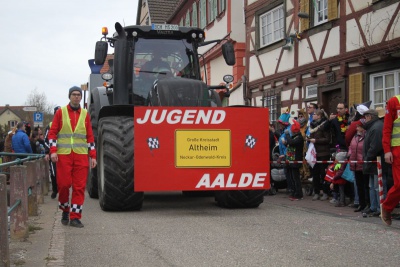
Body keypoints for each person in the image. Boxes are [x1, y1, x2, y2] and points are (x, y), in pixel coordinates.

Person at [49, 86, 97, 228]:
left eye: (79, 95)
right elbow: (52, 133)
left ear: (81, 97)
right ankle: (65, 210)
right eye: (74, 94)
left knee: (79, 187)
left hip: (81, 156)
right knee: (63, 185)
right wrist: (53, 151)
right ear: (69, 96)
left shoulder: (85, 114)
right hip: (63, 156)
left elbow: (90, 137)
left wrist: (93, 156)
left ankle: (75, 217)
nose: (76, 97)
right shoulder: (60, 112)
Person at [362, 109, 385, 217]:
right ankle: (373, 207)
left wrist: (367, 157)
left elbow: (375, 146)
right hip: (372, 161)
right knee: (372, 186)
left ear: (370, 116)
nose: (364, 119)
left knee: (378, 186)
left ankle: (380, 208)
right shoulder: (372, 127)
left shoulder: (376, 127)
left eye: (366, 116)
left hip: (376, 161)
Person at [381, 95, 400, 226]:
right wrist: (387, 150)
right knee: (399, 184)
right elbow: (387, 128)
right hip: (397, 150)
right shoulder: (395, 101)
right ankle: (387, 207)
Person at [308, 109, 331, 201]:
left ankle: (325, 192)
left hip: (323, 153)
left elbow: (327, 139)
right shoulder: (312, 125)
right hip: (314, 153)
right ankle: (316, 192)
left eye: (315, 114)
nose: (313, 115)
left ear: (319, 116)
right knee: (315, 173)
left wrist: (316, 141)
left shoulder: (324, 126)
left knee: (323, 173)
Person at [348, 122, 370, 212]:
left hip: (363, 164)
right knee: (359, 185)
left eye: (359, 127)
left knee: (366, 185)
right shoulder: (355, 137)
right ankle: (361, 204)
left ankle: (367, 203)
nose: (357, 129)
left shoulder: (366, 137)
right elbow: (351, 146)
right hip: (355, 164)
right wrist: (349, 153)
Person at [283, 120, 304, 200]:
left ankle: (298, 194)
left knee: (296, 178)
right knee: (292, 177)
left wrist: (287, 134)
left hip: (295, 160)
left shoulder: (299, 138)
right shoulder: (294, 137)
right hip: (291, 160)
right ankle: (294, 192)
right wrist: (285, 143)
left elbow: (291, 143)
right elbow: (290, 144)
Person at [45, 106, 61, 199]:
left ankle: (63, 191)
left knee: (63, 174)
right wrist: (48, 152)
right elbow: (46, 140)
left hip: (64, 152)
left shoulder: (65, 123)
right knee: (54, 173)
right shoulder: (50, 125)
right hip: (53, 153)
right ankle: (55, 190)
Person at [297, 108, 310, 181]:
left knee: (305, 160)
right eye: (299, 116)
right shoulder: (297, 127)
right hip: (299, 147)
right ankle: (301, 173)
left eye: (301, 116)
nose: (300, 118)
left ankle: (306, 174)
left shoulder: (306, 126)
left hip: (305, 146)